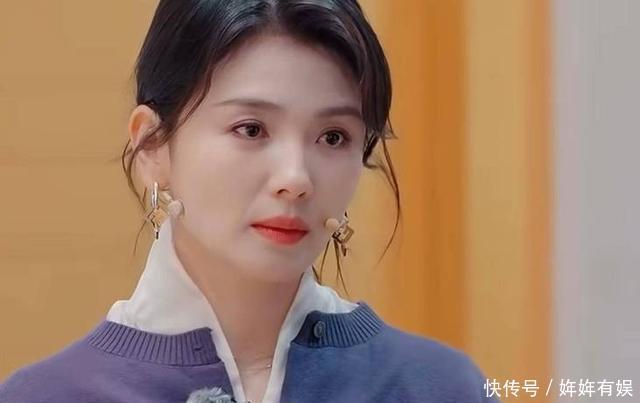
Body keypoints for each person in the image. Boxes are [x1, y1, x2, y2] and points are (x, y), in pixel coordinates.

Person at [0, 1, 498, 402]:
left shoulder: (443, 388)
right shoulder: (46, 396)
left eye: (333, 137)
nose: (295, 179)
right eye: (251, 129)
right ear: (151, 145)